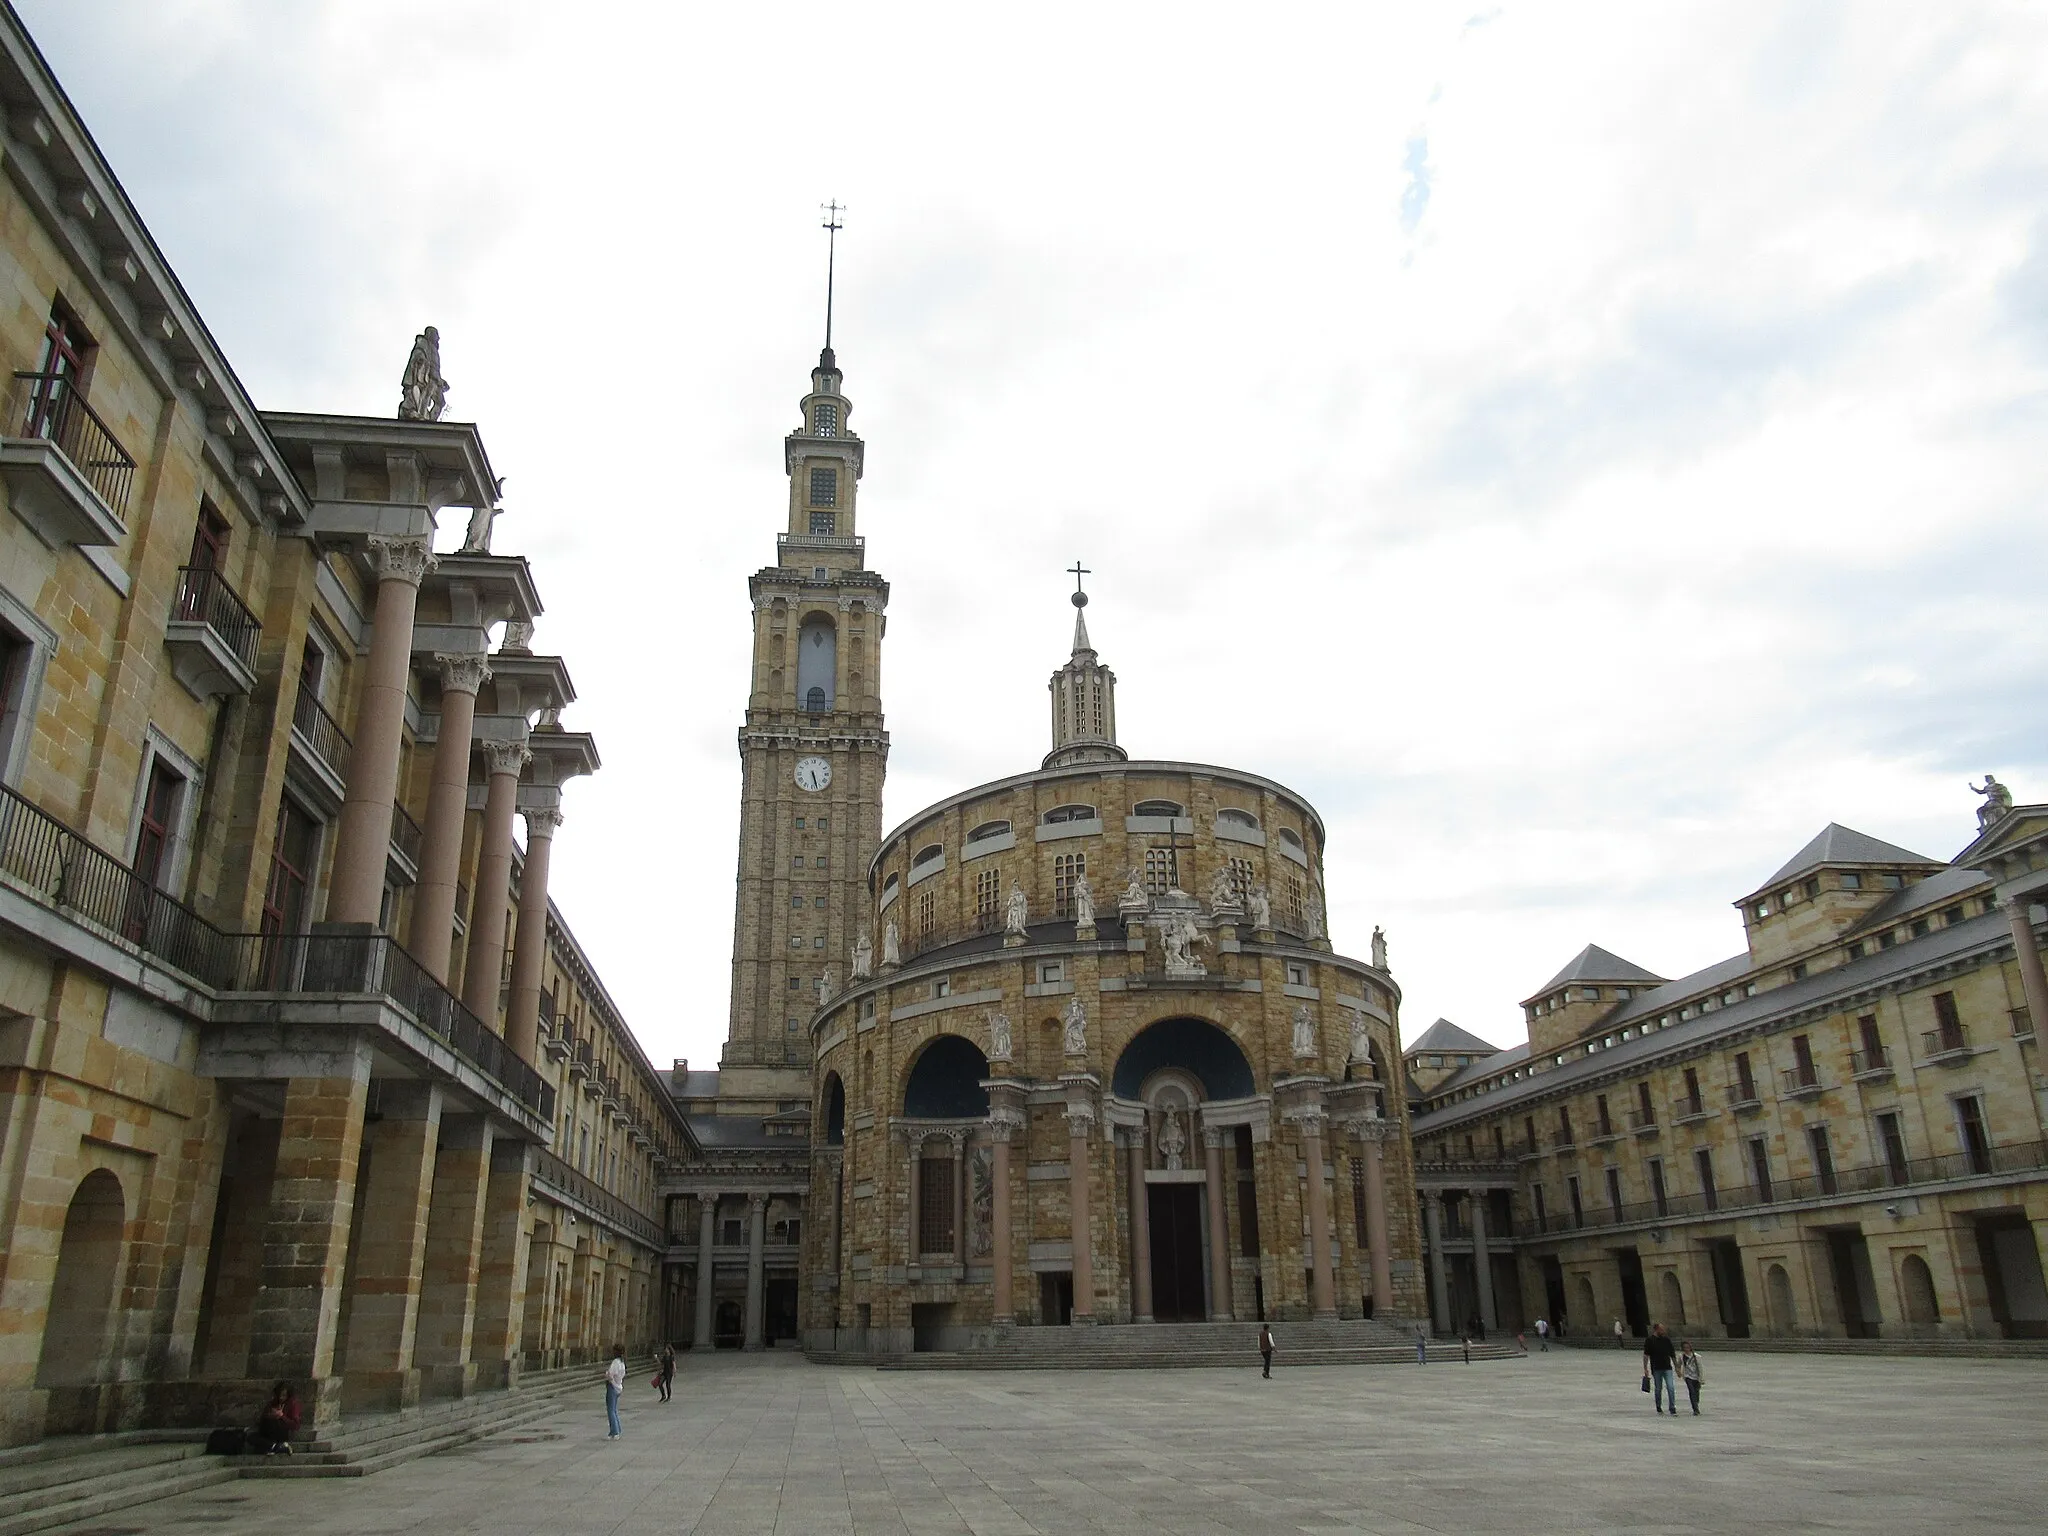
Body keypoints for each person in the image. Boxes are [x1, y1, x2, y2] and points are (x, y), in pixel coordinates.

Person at [1642, 1323, 1679, 1416]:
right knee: (1658, 1389)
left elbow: (1672, 1354)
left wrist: (1677, 1367)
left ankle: (1672, 1408)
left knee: (1671, 1387)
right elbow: (1646, 1355)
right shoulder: (1650, 1340)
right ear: (1656, 1329)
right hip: (1656, 1368)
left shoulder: (1666, 1340)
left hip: (1667, 1367)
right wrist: (1645, 1368)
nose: (1664, 1331)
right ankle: (1658, 1407)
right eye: (1662, 1329)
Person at [252, 1383, 298, 1456]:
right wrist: (270, 1415)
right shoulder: (272, 1403)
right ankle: (274, 1446)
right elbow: (263, 1419)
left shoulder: (292, 1405)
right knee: (251, 1437)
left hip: (282, 1432)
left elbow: (295, 1425)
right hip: (268, 1432)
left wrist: (282, 1416)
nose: (281, 1398)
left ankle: (273, 1446)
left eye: (284, 1395)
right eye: (279, 1395)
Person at [604, 1343, 626, 1438]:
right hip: (618, 1386)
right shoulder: (622, 1362)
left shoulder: (615, 1362)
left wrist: (607, 1375)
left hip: (612, 1386)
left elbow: (610, 1374)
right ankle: (618, 1429)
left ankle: (614, 1431)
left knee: (611, 1410)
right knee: (614, 1409)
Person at [1679, 1341, 1704, 1415]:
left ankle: (1696, 1403)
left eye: (1688, 1347)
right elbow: (1679, 1364)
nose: (1686, 1349)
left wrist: (1701, 1378)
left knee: (1696, 1393)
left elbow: (1700, 1368)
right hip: (1687, 1376)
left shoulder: (1697, 1356)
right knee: (1691, 1391)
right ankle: (1695, 1409)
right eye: (1685, 1348)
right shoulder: (1681, 1356)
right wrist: (1679, 1371)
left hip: (1696, 1376)